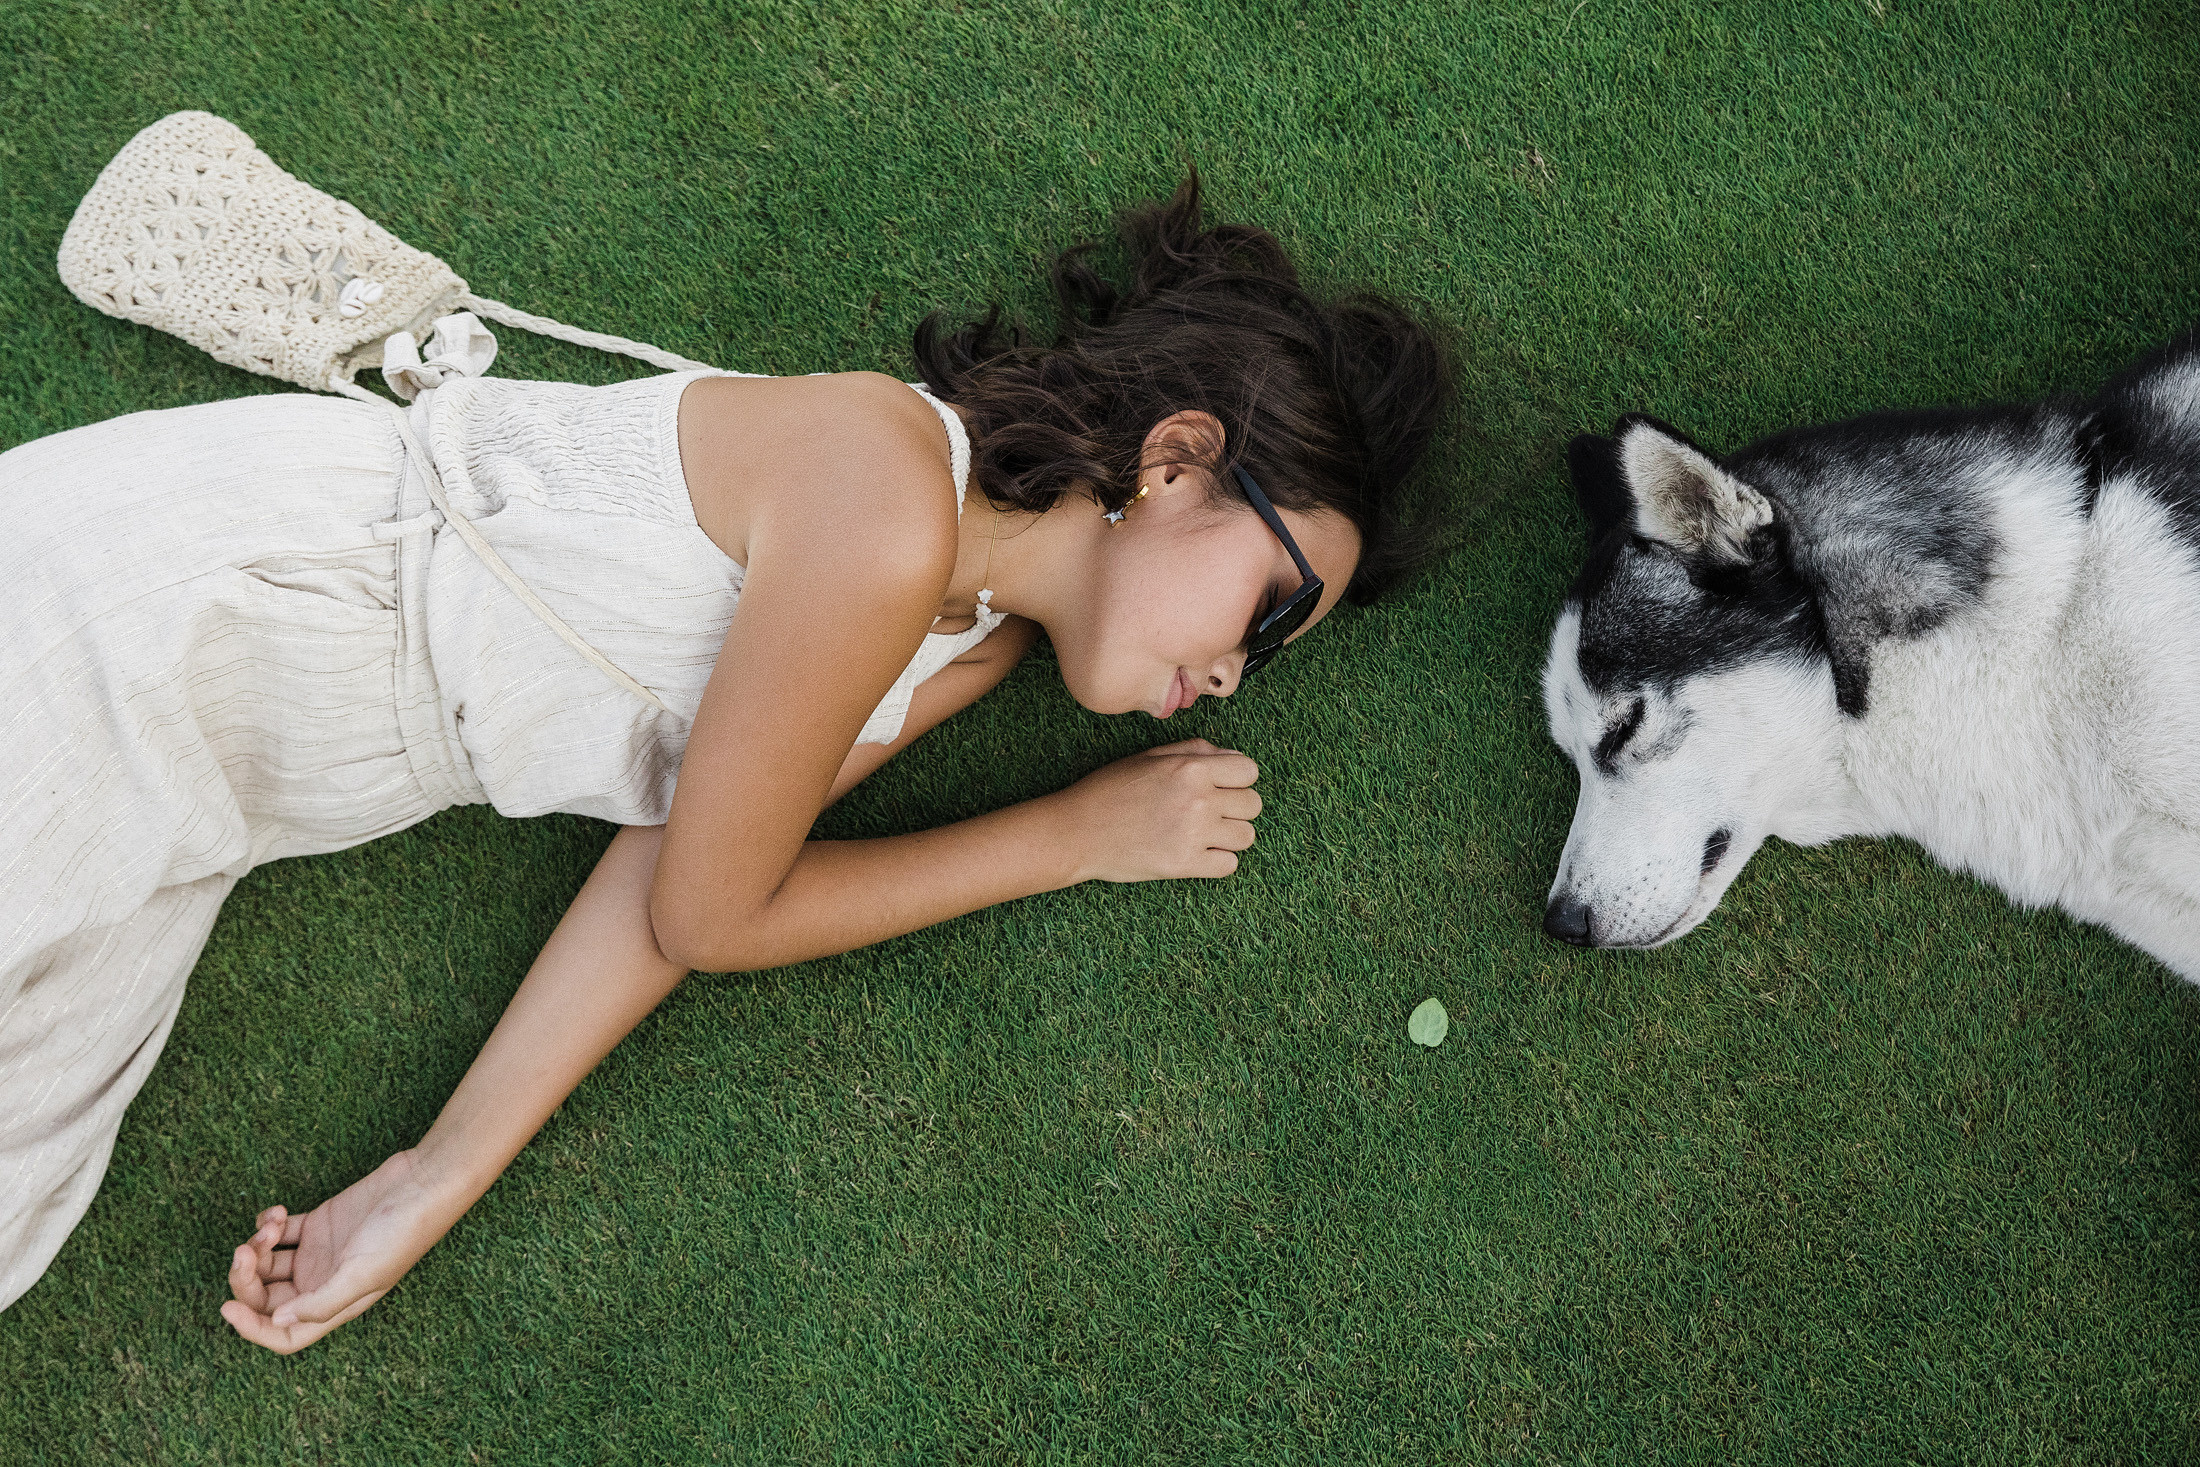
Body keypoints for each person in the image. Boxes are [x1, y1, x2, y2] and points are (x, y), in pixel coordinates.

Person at [0, 172, 1453, 1350]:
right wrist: (1068, 840)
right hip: (173, 618)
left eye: (1268, 658)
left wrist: (429, 1179)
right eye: (1267, 611)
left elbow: (676, 869)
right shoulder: (885, 501)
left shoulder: (966, 640)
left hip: (223, 785)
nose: (1233, 675)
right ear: (1178, 460)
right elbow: (714, 914)